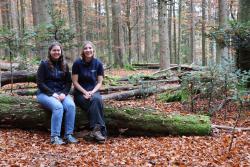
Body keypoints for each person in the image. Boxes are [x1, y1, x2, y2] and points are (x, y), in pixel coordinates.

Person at [36, 42, 78, 145]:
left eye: (58, 50)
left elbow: (68, 82)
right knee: (58, 107)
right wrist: (52, 94)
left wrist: (64, 93)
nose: (56, 52)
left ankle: (68, 135)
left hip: (61, 93)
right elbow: (40, 83)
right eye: (54, 50)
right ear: (50, 52)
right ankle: (55, 137)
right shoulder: (44, 64)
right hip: (44, 94)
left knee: (71, 106)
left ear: (61, 52)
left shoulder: (64, 64)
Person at [72, 41, 107, 143]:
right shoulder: (77, 63)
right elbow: (75, 82)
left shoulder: (98, 63)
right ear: (82, 51)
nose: (88, 50)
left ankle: (96, 130)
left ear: (93, 50)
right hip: (80, 93)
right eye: (86, 48)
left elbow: (100, 82)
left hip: (93, 91)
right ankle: (101, 131)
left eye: (90, 48)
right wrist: (85, 92)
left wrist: (92, 92)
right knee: (97, 103)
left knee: (96, 99)